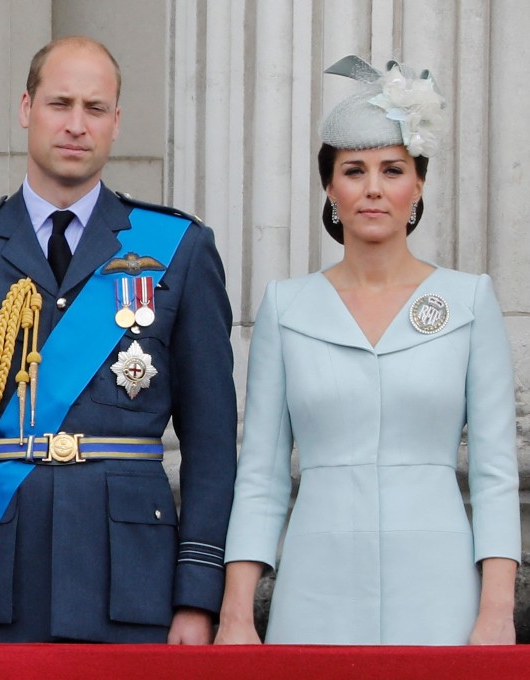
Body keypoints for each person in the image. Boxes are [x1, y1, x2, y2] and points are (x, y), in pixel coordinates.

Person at [0, 36, 237, 646]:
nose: (77, 125)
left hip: (132, 585)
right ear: (26, 108)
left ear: (117, 122)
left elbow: (211, 444)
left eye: (95, 109)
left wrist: (197, 598)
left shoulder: (177, 248)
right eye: (60, 104)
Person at [215, 56, 521, 645]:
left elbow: (493, 475)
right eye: (354, 170)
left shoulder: (469, 301)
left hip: (443, 591)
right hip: (315, 586)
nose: (374, 188)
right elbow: (261, 474)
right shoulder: (286, 307)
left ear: (419, 183)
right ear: (330, 187)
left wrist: (497, 610)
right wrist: (236, 612)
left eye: (393, 169)